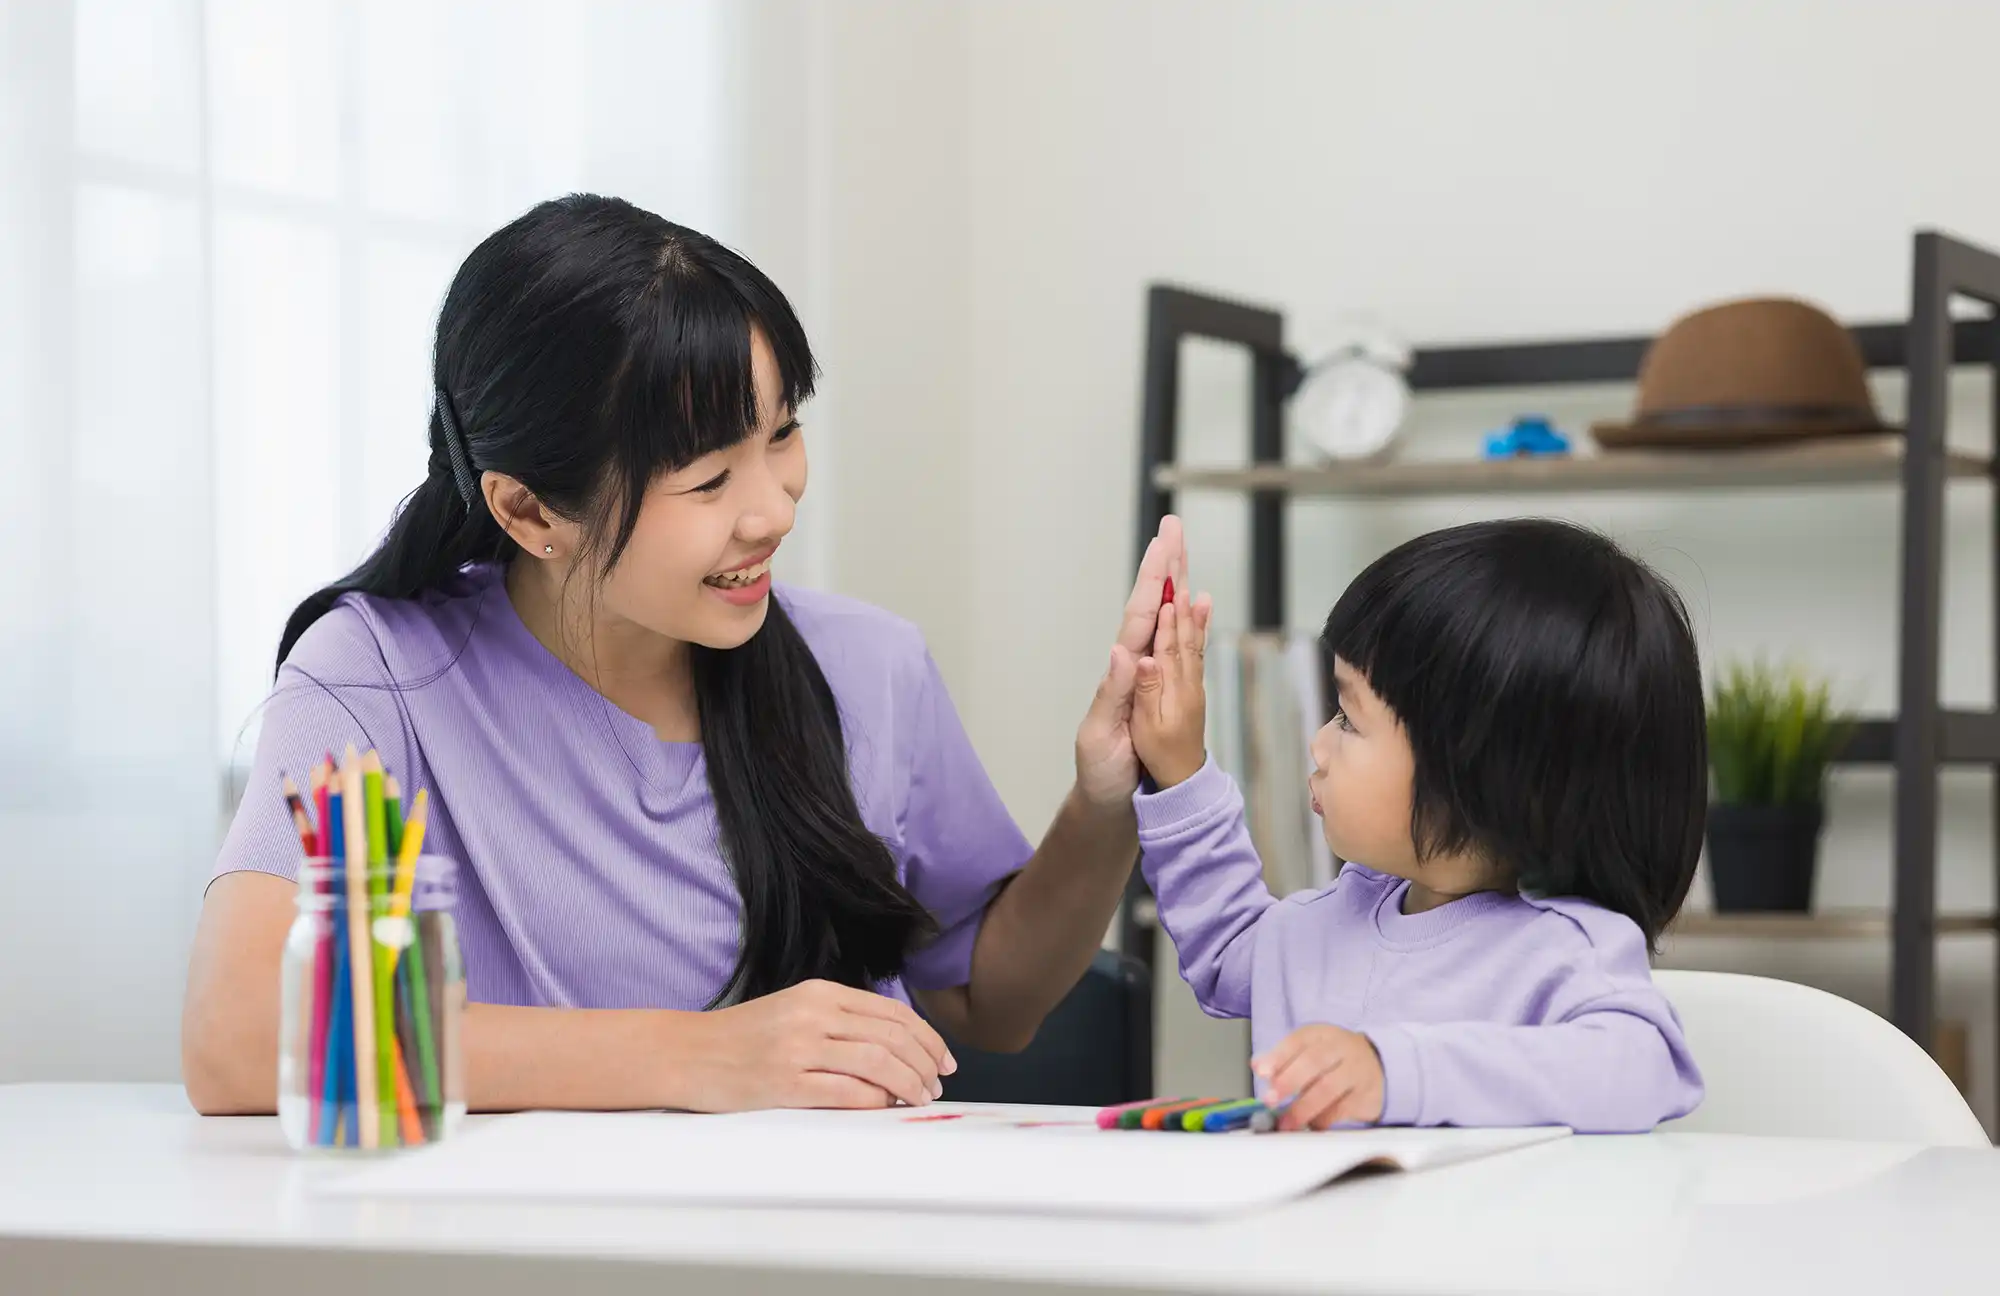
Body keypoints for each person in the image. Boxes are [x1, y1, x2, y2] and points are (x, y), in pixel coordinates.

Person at [182, 193, 1194, 1116]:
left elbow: (991, 1003)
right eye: (708, 480)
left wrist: (1104, 802)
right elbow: (240, 1042)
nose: (773, 508)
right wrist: (698, 1056)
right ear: (528, 508)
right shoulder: (376, 675)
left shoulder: (868, 666)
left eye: (783, 434)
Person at [1126, 518, 1706, 1133]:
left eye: (1349, 719)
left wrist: (1398, 1073)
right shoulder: (1328, 922)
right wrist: (1179, 770)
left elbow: (1641, 1070)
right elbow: (1227, 943)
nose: (1319, 746)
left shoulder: (1565, 951)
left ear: (1476, 774)